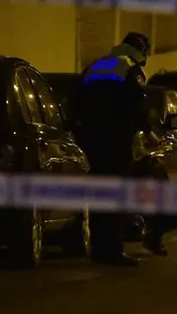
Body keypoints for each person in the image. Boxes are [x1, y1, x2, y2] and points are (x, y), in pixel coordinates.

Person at [70, 32, 157, 266]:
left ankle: (98, 247)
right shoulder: (130, 69)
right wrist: (147, 130)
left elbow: (75, 99)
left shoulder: (96, 65)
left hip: (90, 139)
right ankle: (111, 249)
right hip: (116, 140)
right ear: (141, 51)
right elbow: (137, 103)